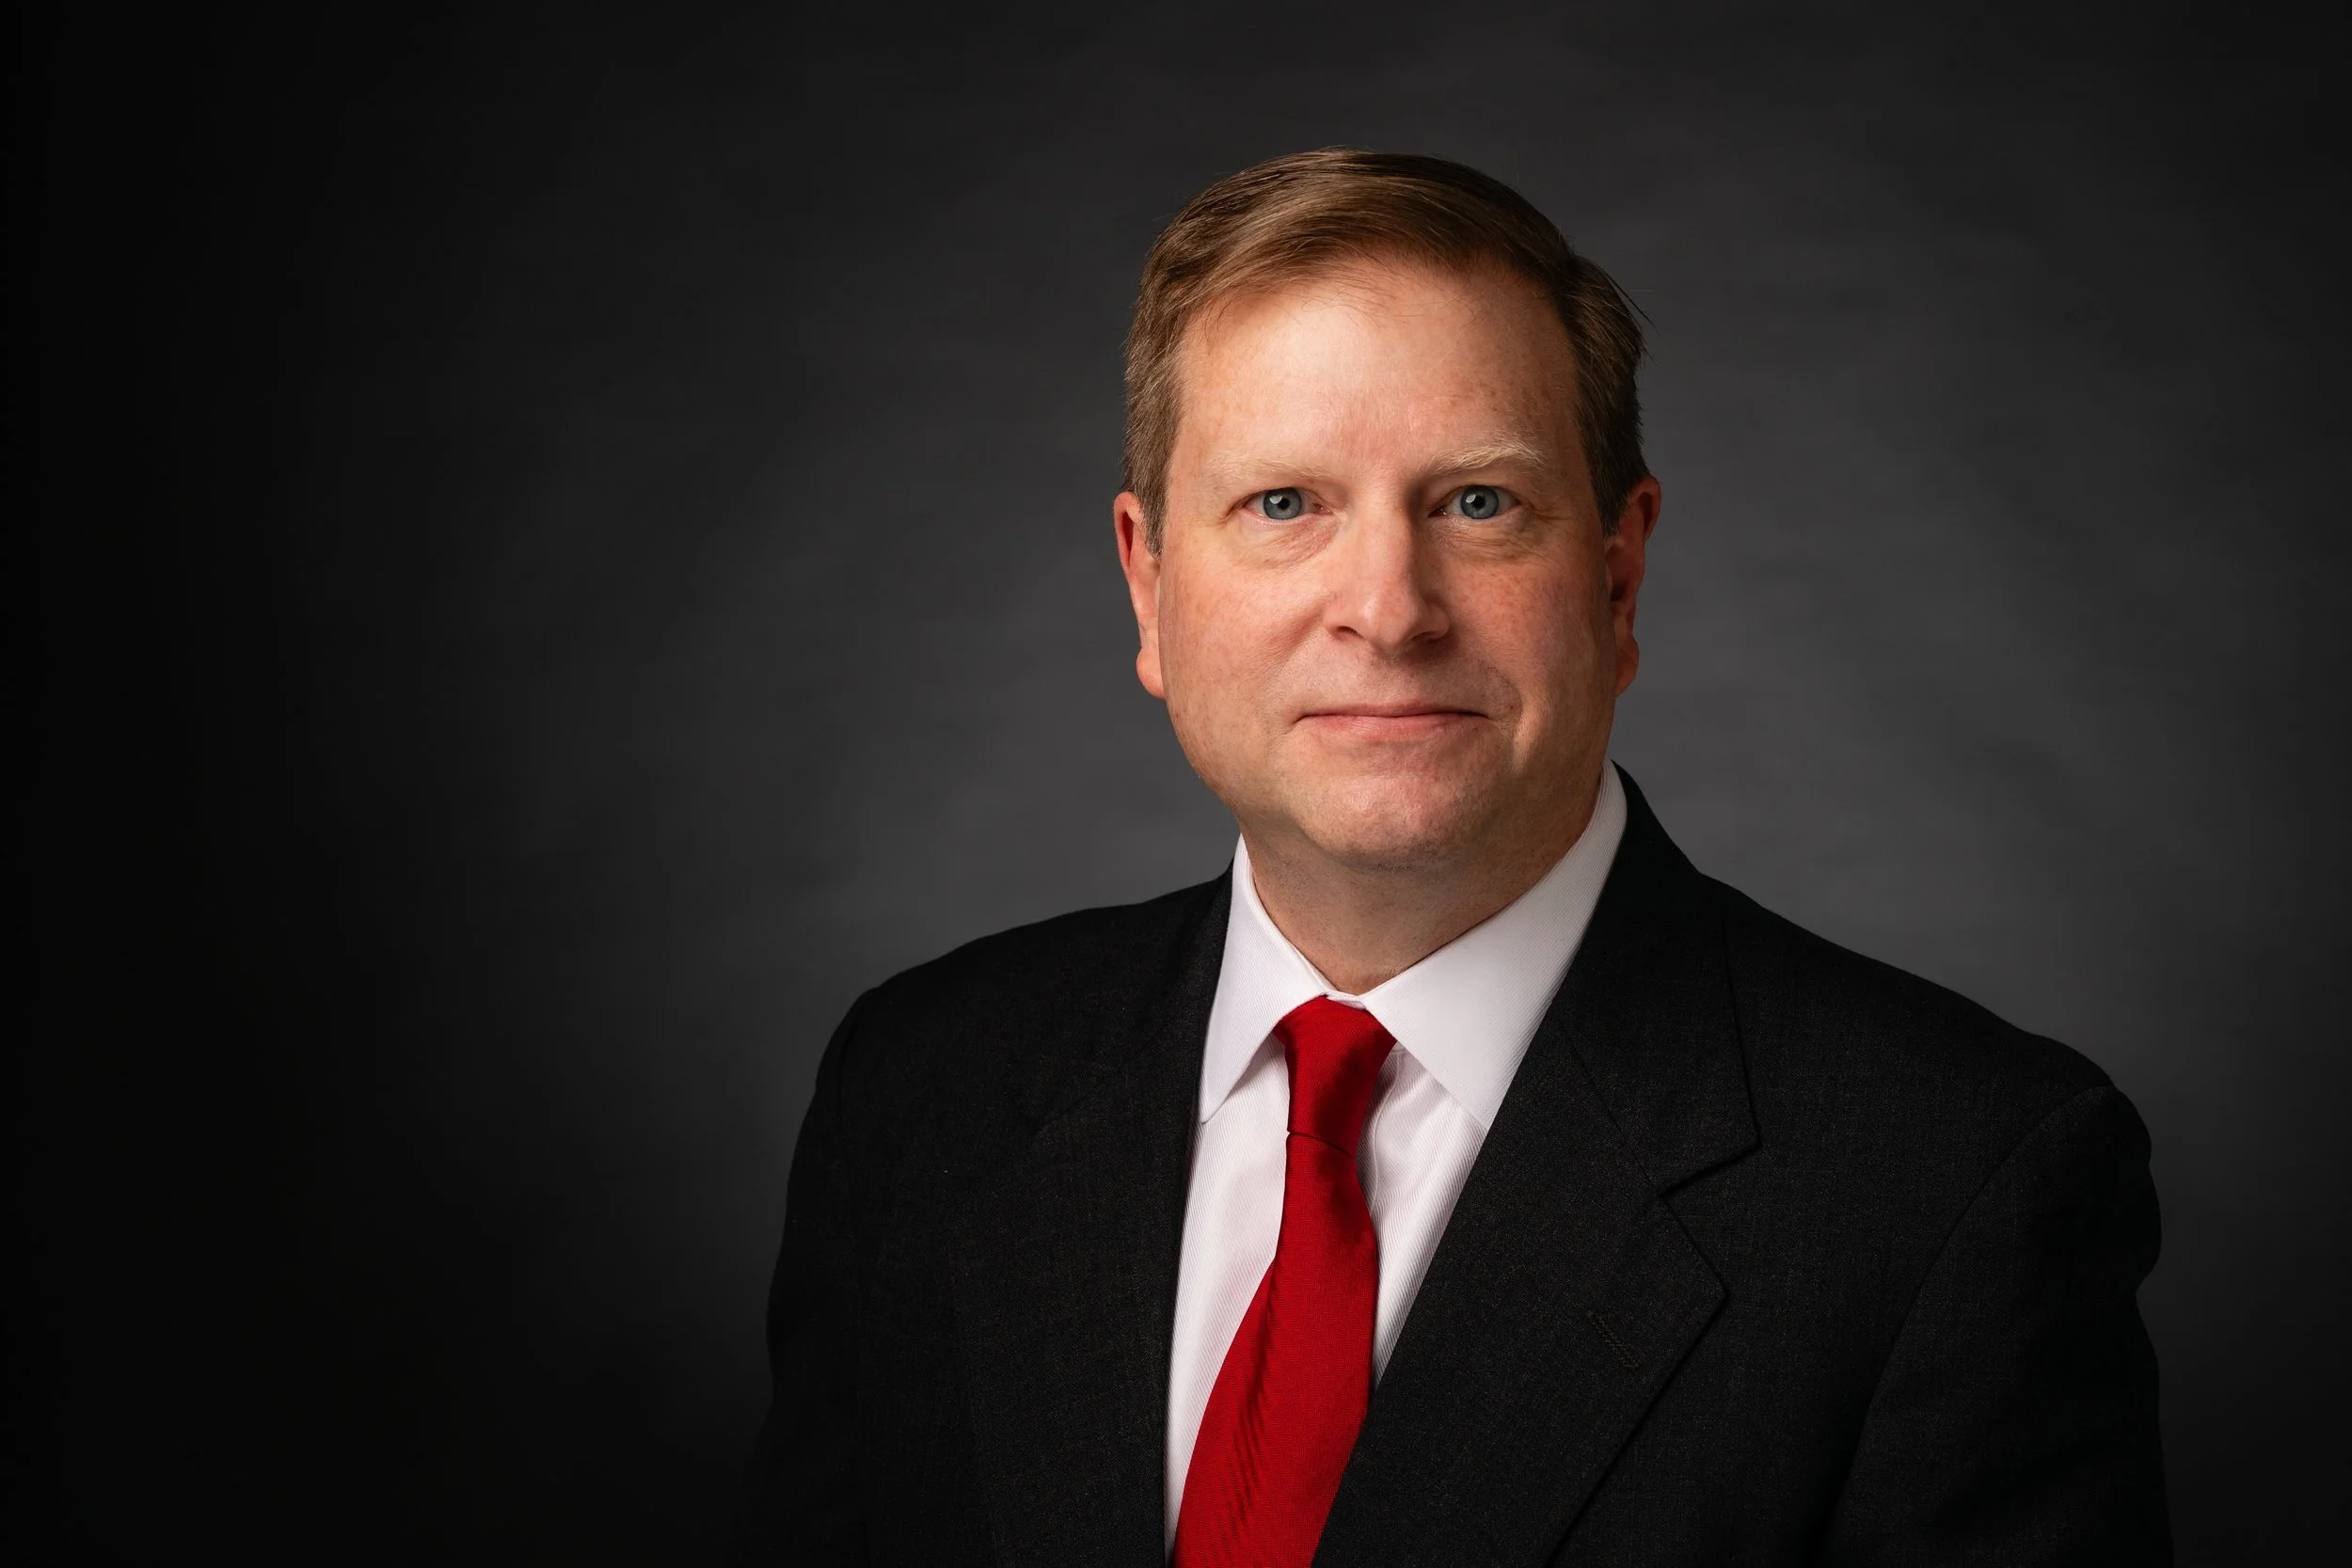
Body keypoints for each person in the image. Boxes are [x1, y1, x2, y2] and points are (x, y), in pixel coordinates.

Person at [731, 150, 2169, 1566]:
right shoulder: (920, 1092)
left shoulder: (1956, 1183)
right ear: (1149, 585)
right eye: (1284, 503)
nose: (1389, 609)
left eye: (1478, 501)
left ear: (1617, 576)